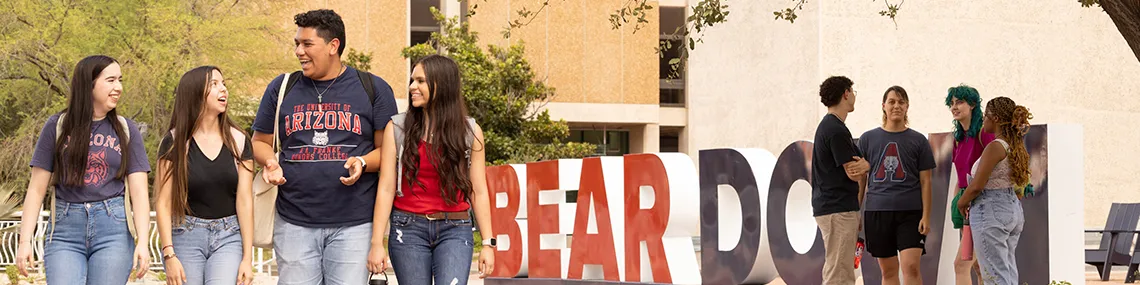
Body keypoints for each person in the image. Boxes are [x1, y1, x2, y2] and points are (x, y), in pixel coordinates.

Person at [250, 9, 398, 284]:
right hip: (294, 222)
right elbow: (259, 142)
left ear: (333, 46)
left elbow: (387, 153)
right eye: (297, 43)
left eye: (307, 44)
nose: (298, 51)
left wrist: (363, 162)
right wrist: (270, 162)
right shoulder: (282, 87)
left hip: (354, 225)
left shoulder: (373, 88)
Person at [15, 55, 152, 283]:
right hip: (65, 231)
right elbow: (36, 190)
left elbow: (139, 192)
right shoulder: (57, 126)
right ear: (89, 84)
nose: (118, 87)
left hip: (114, 229)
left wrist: (144, 243)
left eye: (120, 80)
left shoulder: (127, 130)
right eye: (110, 80)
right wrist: (24, 241)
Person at [367, 55, 496, 284]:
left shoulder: (470, 132)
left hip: (455, 228)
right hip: (407, 228)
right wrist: (377, 243)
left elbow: (478, 190)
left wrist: (488, 243)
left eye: (420, 81)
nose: (412, 87)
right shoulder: (396, 128)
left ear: (442, 85)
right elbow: (386, 188)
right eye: (412, 80)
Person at [155, 66, 256, 285]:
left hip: (229, 235)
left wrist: (247, 258)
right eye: (214, 84)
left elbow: (245, 201)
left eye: (223, 83)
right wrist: (169, 254)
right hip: (185, 234)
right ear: (195, 93)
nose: (223, 90)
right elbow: (162, 203)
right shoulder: (174, 143)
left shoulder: (239, 141)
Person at [857, 86, 935, 285]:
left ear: (907, 106)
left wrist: (926, 215)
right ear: (883, 106)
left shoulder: (918, 141)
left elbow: (926, 181)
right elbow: (861, 180)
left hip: (910, 212)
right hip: (877, 212)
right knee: (889, 272)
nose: (896, 106)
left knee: (911, 267)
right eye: (892, 102)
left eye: (901, 102)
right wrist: (856, 211)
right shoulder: (867, 139)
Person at [956, 96, 1032, 285]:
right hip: (1011, 208)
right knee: (1006, 271)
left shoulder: (994, 147)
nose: (983, 119)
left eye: (986, 115)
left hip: (991, 210)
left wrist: (961, 202)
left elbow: (977, 185)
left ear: (996, 118)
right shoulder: (1014, 145)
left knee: (994, 275)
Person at [812, 76, 869, 285]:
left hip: (835, 208)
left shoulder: (831, 126)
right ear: (846, 93)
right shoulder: (835, 129)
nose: (854, 96)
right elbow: (853, 172)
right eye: (853, 92)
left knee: (839, 268)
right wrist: (867, 165)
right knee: (840, 273)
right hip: (837, 208)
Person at [945, 84, 993, 285]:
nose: (955, 107)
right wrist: (957, 202)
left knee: (961, 264)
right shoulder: (959, 139)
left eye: (960, 102)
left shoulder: (984, 133)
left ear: (973, 104)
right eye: (952, 103)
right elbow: (960, 176)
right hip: (964, 203)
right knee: (977, 265)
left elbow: (994, 169)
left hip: (982, 202)